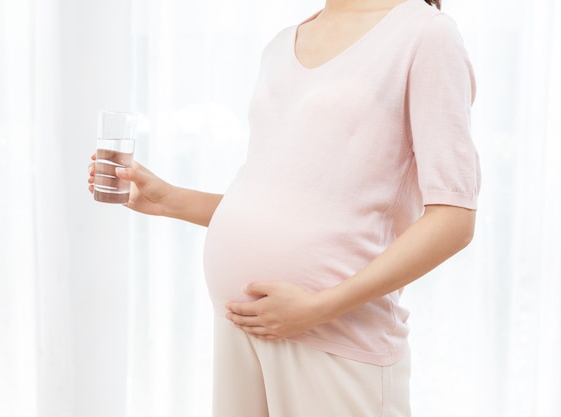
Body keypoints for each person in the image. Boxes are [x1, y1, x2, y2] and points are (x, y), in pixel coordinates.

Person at [88, 0, 480, 415]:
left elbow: (454, 219)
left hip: (334, 335)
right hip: (241, 326)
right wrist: (170, 199)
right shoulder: (281, 44)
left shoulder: (426, 35)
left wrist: (319, 307)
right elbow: (289, 200)